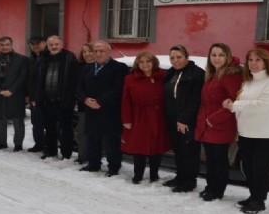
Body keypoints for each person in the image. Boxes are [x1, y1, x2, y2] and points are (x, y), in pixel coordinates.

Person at [223, 48, 269, 214]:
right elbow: (244, 105)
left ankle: (259, 201)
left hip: (268, 134)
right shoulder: (247, 82)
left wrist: (235, 106)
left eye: (258, 60)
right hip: (247, 133)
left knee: (261, 169)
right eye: (251, 60)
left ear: (266, 62)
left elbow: (264, 105)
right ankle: (253, 196)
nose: (254, 64)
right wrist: (233, 104)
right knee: (250, 168)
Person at [194, 43, 243, 201]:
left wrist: (211, 120)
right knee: (210, 160)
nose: (217, 58)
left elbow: (234, 103)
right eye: (214, 55)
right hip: (208, 125)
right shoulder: (212, 74)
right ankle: (210, 187)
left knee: (219, 160)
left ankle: (217, 191)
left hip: (221, 125)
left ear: (227, 56)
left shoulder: (231, 75)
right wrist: (204, 121)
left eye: (221, 55)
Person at [77, 40, 128, 176]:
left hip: (109, 110)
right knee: (92, 138)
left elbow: (118, 88)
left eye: (101, 51)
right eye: (96, 51)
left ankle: (114, 167)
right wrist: (85, 99)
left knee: (111, 141)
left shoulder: (119, 67)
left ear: (109, 52)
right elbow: (80, 87)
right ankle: (94, 164)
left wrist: (100, 101)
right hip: (90, 109)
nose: (98, 54)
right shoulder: (87, 68)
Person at [121, 52, 171, 184]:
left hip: (158, 115)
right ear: (137, 64)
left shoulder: (163, 76)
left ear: (154, 62)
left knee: (156, 146)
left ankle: (154, 174)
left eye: (148, 61)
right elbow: (126, 101)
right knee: (139, 146)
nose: (145, 64)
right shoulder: (130, 79)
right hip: (139, 116)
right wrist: (127, 120)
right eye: (142, 62)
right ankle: (138, 174)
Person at [163, 45, 205, 193]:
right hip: (173, 118)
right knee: (178, 150)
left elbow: (195, 99)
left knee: (189, 151)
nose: (176, 61)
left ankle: (189, 181)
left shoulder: (196, 74)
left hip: (187, 120)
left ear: (187, 57)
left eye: (179, 57)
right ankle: (180, 176)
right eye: (172, 58)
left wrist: (184, 119)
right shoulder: (171, 73)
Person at [33, 35, 80, 160]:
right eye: (51, 45)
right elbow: (36, 79)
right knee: (49, 128)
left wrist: (73, 96)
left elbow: (76, 80)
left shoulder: (70, 58)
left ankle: (66, 153)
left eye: (56, 44)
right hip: (47, 100)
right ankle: (51, 151)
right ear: (47, 46)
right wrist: (37, 97)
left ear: (62, 44)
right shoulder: (42, 58)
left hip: (64, 101)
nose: (54, 47)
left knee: (66, 129)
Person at [0, 36, 29, 151]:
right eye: (2, 45)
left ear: (11, 45)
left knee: (17, 121)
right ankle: (2, 142)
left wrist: (11, 90)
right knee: (0, 119)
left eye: (7, 44)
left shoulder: (22, 59)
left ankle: (18, 144)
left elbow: (22, 76)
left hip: (15, 94)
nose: (5, 47)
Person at [74, 43, 95, 164]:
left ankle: (94, 157)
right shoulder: (80, 67)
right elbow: (77, 87)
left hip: (99, 105)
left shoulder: (101, 67)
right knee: (81, 133)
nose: (87, 54)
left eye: (90, 51)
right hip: (83, 105)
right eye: (85, 52)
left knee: (94, 134)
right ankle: (82, 156)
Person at [26, 36, 47, 153]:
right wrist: (29, 95)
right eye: (32, 44)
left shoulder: (49, 57)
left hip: (48, 96)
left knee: (49, 123)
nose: (35, 46)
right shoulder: (29, 59)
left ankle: (49, 145)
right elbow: (28, 79)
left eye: (38, 43)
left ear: (44, 43)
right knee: (36, 123)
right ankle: (39, 144)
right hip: (34, 96)